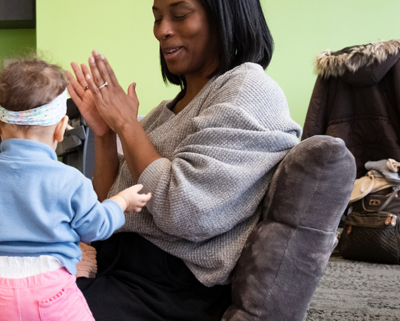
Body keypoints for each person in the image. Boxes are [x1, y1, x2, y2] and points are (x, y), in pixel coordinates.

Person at [63, 0, 302, 319]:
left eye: (180, 15)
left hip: (170, 290)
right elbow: (110, 203)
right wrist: (106, 134)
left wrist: (128, 126)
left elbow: (185, 211)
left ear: (225, 15)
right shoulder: (164, 112)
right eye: (157, 18)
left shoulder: (249, 90)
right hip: (119, 265)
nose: (162, 31)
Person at [0, 57, 151, 321]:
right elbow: (95, 227)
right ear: (60, 128)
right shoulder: (70, 180)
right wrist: (122, 201)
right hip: (51, 295)